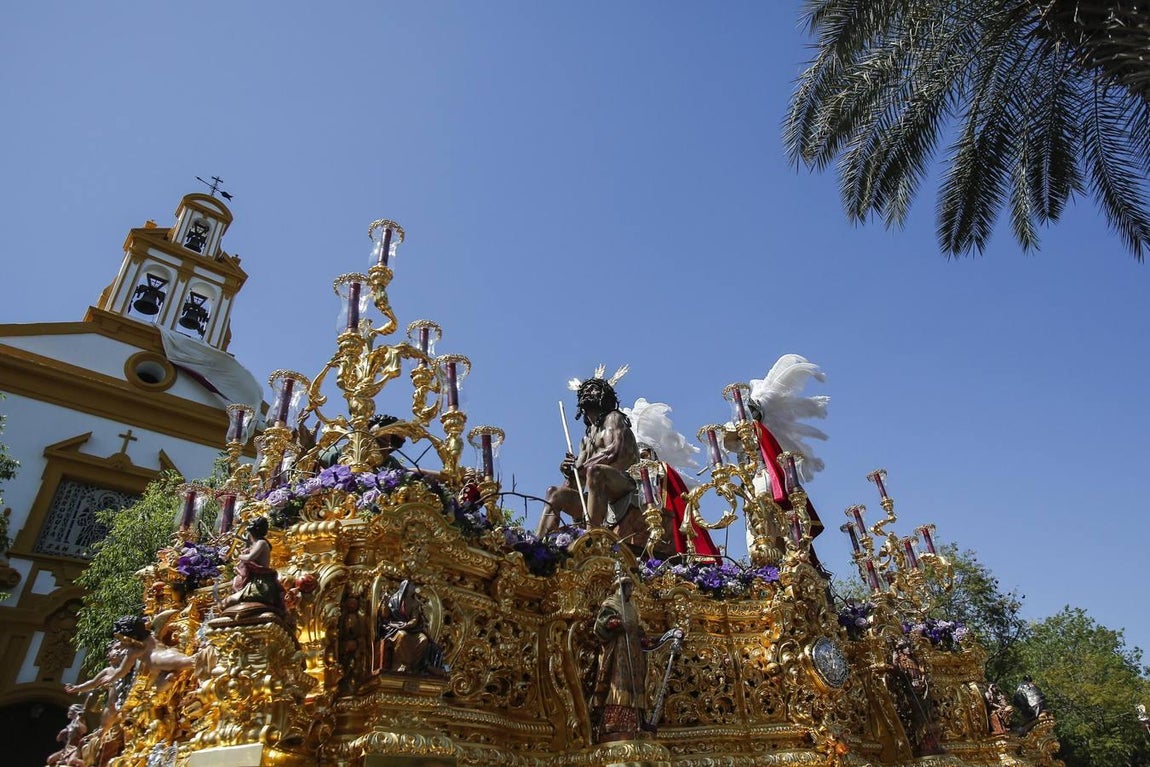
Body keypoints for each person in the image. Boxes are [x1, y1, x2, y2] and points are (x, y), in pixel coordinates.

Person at [538, 374, 639, 537]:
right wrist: (570, 472)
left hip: (624, 485)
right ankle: (540, 544)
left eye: (593, 389)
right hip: (599, 495)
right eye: (584, 390)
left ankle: (592, 538)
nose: (587, 392)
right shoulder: (586, 440)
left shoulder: (614, 418)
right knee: (554, 493)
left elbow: (613, 452)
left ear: (604, 395)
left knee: (596, 471)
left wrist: (581, 468)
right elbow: (578, 483)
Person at [590, 571, 649, 742]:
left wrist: (642, 637)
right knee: (619, 680)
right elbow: (601, 624)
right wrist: (612, 623)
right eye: (628, 586)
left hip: (634, 649)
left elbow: (637, 627)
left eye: (631, 586)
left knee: (635, 682)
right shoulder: (612, 604)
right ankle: (615, 723)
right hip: (619, 648)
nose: (631, 590)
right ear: (621, 587)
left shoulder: (631, 607)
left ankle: (635, 720)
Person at [638, 443, 720, 559]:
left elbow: (669, 489)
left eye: (645, 455)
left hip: (665, 508)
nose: (643, 460)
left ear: (651, 455)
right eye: (640, 457)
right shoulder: (636, 473)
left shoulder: (661, 468)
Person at [220, 516, 285, 621]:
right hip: (252, 582)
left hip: (260, 585)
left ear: (251, 532)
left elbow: (250, 558)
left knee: (226, 602)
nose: (247, 537)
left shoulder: (261, 543)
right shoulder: (256, 544)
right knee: (224, 603)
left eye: (247, 534)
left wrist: (239, 556)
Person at [373, 579, 443, 674]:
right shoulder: (394, 599)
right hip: (394, 627)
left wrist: (408, 625)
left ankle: (414, 666)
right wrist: (385, 602)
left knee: (423, 639)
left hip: (411, 628)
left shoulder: (415, 603)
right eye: (412, 586)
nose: (414, 588)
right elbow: (385, 616)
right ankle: (400, 664)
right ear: (405, 587)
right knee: (403, 635)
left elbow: (415, 619)